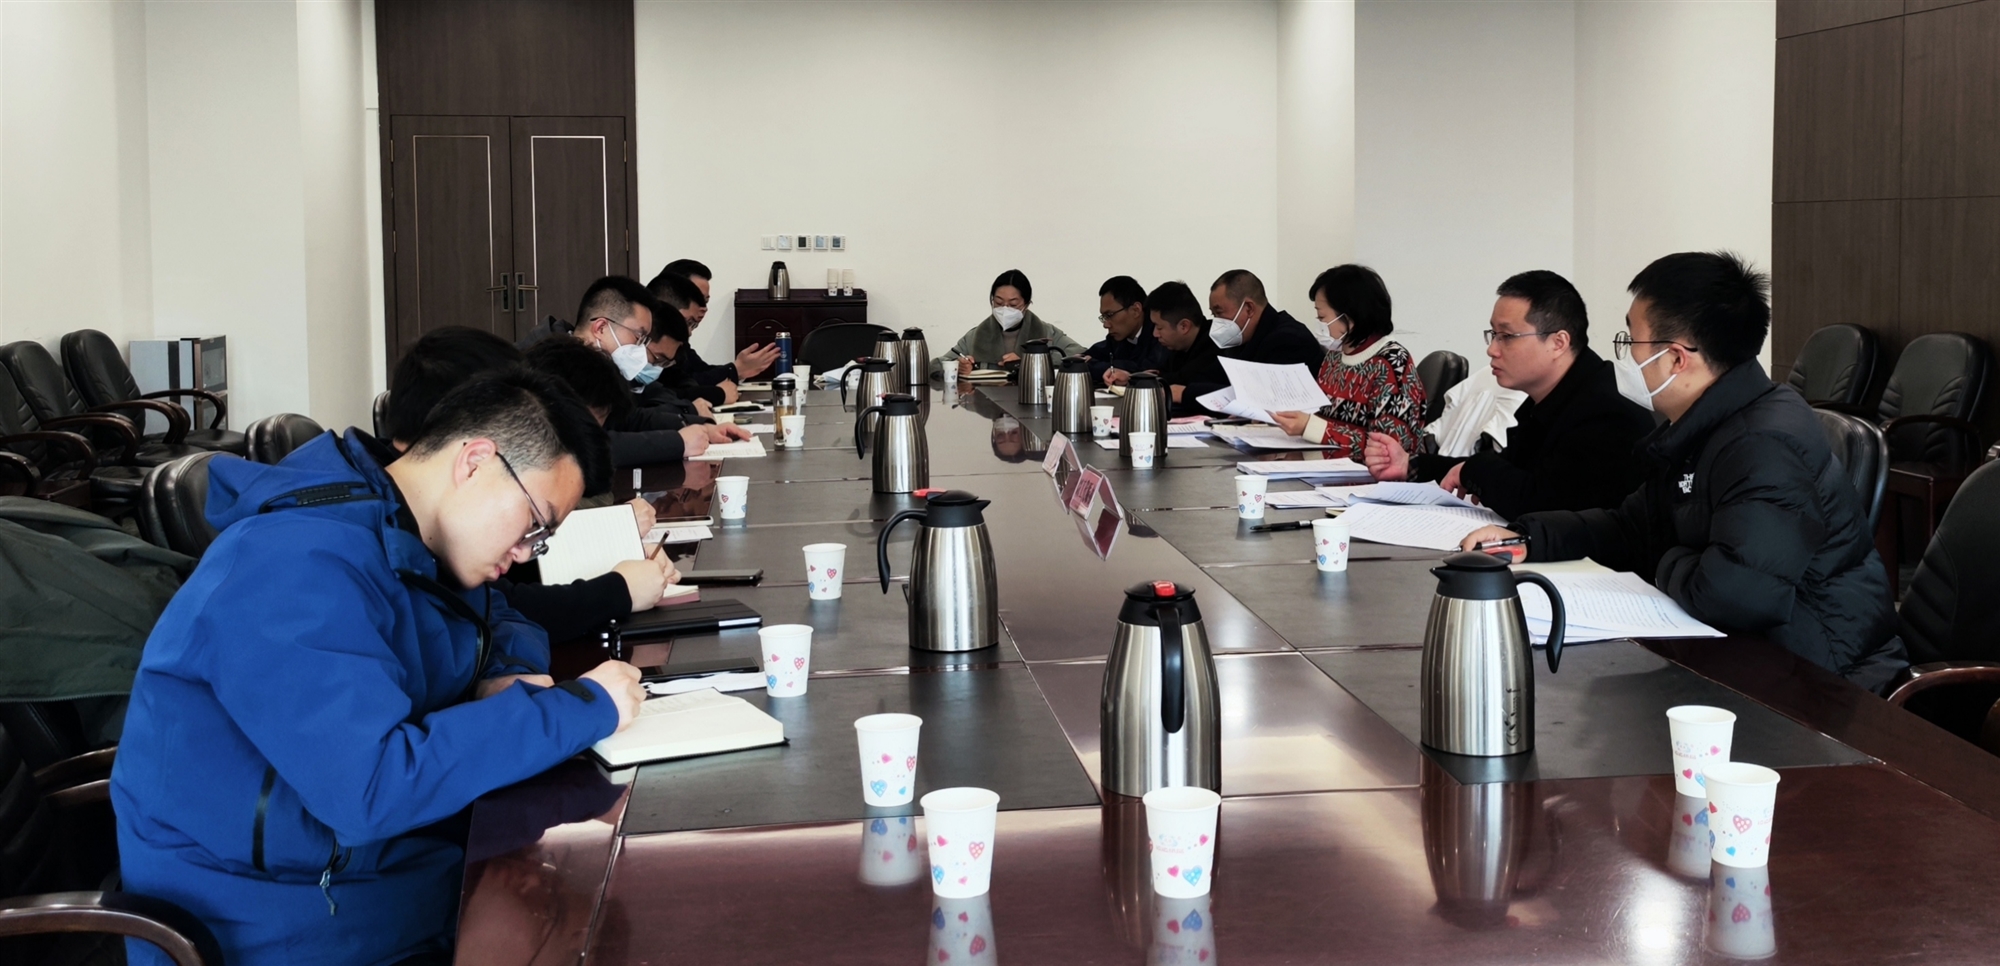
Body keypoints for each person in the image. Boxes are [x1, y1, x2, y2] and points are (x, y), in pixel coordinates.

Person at [112, 371, 649, 966]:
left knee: (608, 901)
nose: (526, 551)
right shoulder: (287, 567)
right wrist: (576, 709)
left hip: (384, 874)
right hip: (280, 920)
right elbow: (369, 790)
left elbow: (501, 616)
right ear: (475, 461)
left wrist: (506, 673)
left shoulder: (401, 530)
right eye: (535, 523)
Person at [1460, 251, 1905, 690]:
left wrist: (1664, 555)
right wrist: (1528, 539)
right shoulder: (1698, 425)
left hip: (1823, 682)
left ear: (1676, 358)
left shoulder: (1765, 443)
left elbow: (1734, 597)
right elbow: (1631, 528)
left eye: (1630, 342)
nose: (1624, 359)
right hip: (1747, 655)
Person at [385, 328, 680, 643]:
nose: (521, 553)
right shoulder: (363, 554)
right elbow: (507, 608)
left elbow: (496, 617)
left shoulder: (429, 525)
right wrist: (617, 589)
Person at [1364, 270, 1653, 518]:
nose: (1492, 349)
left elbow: (1543, 502)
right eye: (1493, 335)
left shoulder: (1608, 411)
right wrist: (1410, 465)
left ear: (1558, 342)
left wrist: (1475, 470)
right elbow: (1510, 470)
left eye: (1506, 336)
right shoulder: (1548, 399)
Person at [1269, 265, 1425, 457]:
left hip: (1365, 474)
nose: (1320, 324)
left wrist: (1311, 427)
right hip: (1321, 464)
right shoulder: (1335, 356)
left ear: (1350, 316)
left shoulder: (1392, 363)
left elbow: (1386, 450)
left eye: (1322, 316)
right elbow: (1322, 418)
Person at [1179, 269, 1325, 406]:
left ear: (1249, 308)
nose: (1216, 322)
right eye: (1213, 315)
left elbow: (1259, 398)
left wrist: (1186, 393)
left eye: (1219, 313)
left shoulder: (1289, 340)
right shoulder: (1242, 339)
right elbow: (1210, 376)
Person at [646, 266, 780, 389]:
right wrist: (735, 371)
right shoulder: (647, 342)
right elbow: (681, 387)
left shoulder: (681, 342)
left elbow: (700, 370)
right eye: (696, 297)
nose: (703, 308)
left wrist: (737, 370)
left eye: (705, 301)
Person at [935, 269, 1087, 376]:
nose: (1005, 309)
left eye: (1013, 304)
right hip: (986, 403)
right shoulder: (975, 336)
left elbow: (1082, 355)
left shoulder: (1047, 332)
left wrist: (1029, 362)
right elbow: (934, 365)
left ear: (1026, 304)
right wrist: (956, 367)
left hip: (1034, 401)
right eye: (998, 303)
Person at [1147, 281, 1226, 416]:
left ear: (1184, 326)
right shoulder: (1177, 346)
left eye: (1159, 327)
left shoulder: (1217, 345)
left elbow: (1182, 381)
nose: (1155, 334)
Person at [1082, 275, 1166, 386]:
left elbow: (1145, 370)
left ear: (1136, 310)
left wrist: (1098, 366)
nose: (1106, 325)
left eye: (1109, 315)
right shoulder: (1118, 336)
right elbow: (1085, 360)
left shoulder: (1160, 335)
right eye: (1104, 317)